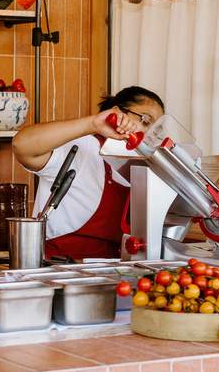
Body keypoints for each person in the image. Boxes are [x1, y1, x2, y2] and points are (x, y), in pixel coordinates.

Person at [12, 86, 164, 260]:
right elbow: (22, 145)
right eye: (145, 120)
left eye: (157, 131)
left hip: (116, 271)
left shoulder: (146, 169)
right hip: (60, 268)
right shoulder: (83, 146)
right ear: (115, 112)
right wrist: (92, 124)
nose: (150, 134)